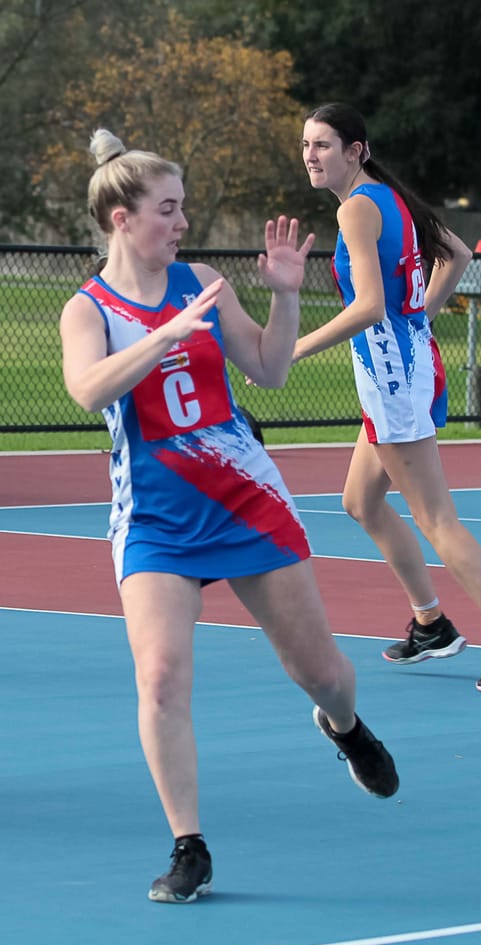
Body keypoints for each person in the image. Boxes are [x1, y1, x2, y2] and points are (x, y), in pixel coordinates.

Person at [58, 129, 398, 904]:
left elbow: (271, 370)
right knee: (162, 678)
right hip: (156, 518)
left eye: (182, 209)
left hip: (246, 498)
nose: (181, 223)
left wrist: (284, 293)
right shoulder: (90, 309)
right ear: (121, 218)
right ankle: (190, 845)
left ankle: (346, 726)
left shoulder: (202, 281)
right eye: (167, 209)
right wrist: (162, 337)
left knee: (321, 672)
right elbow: (88, 391)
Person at [294, 103, 481, 693]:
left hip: (392, 377)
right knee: (360, 501)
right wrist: (421, 317)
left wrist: (292, 351)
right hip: (405, 365)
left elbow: (367, 307)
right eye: (306, 145)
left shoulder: (359, 210)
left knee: (437, 518)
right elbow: (456, 254)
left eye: (324, 145)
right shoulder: (390, 198)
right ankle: (432, 625)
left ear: (356, 150)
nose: (311, 155)